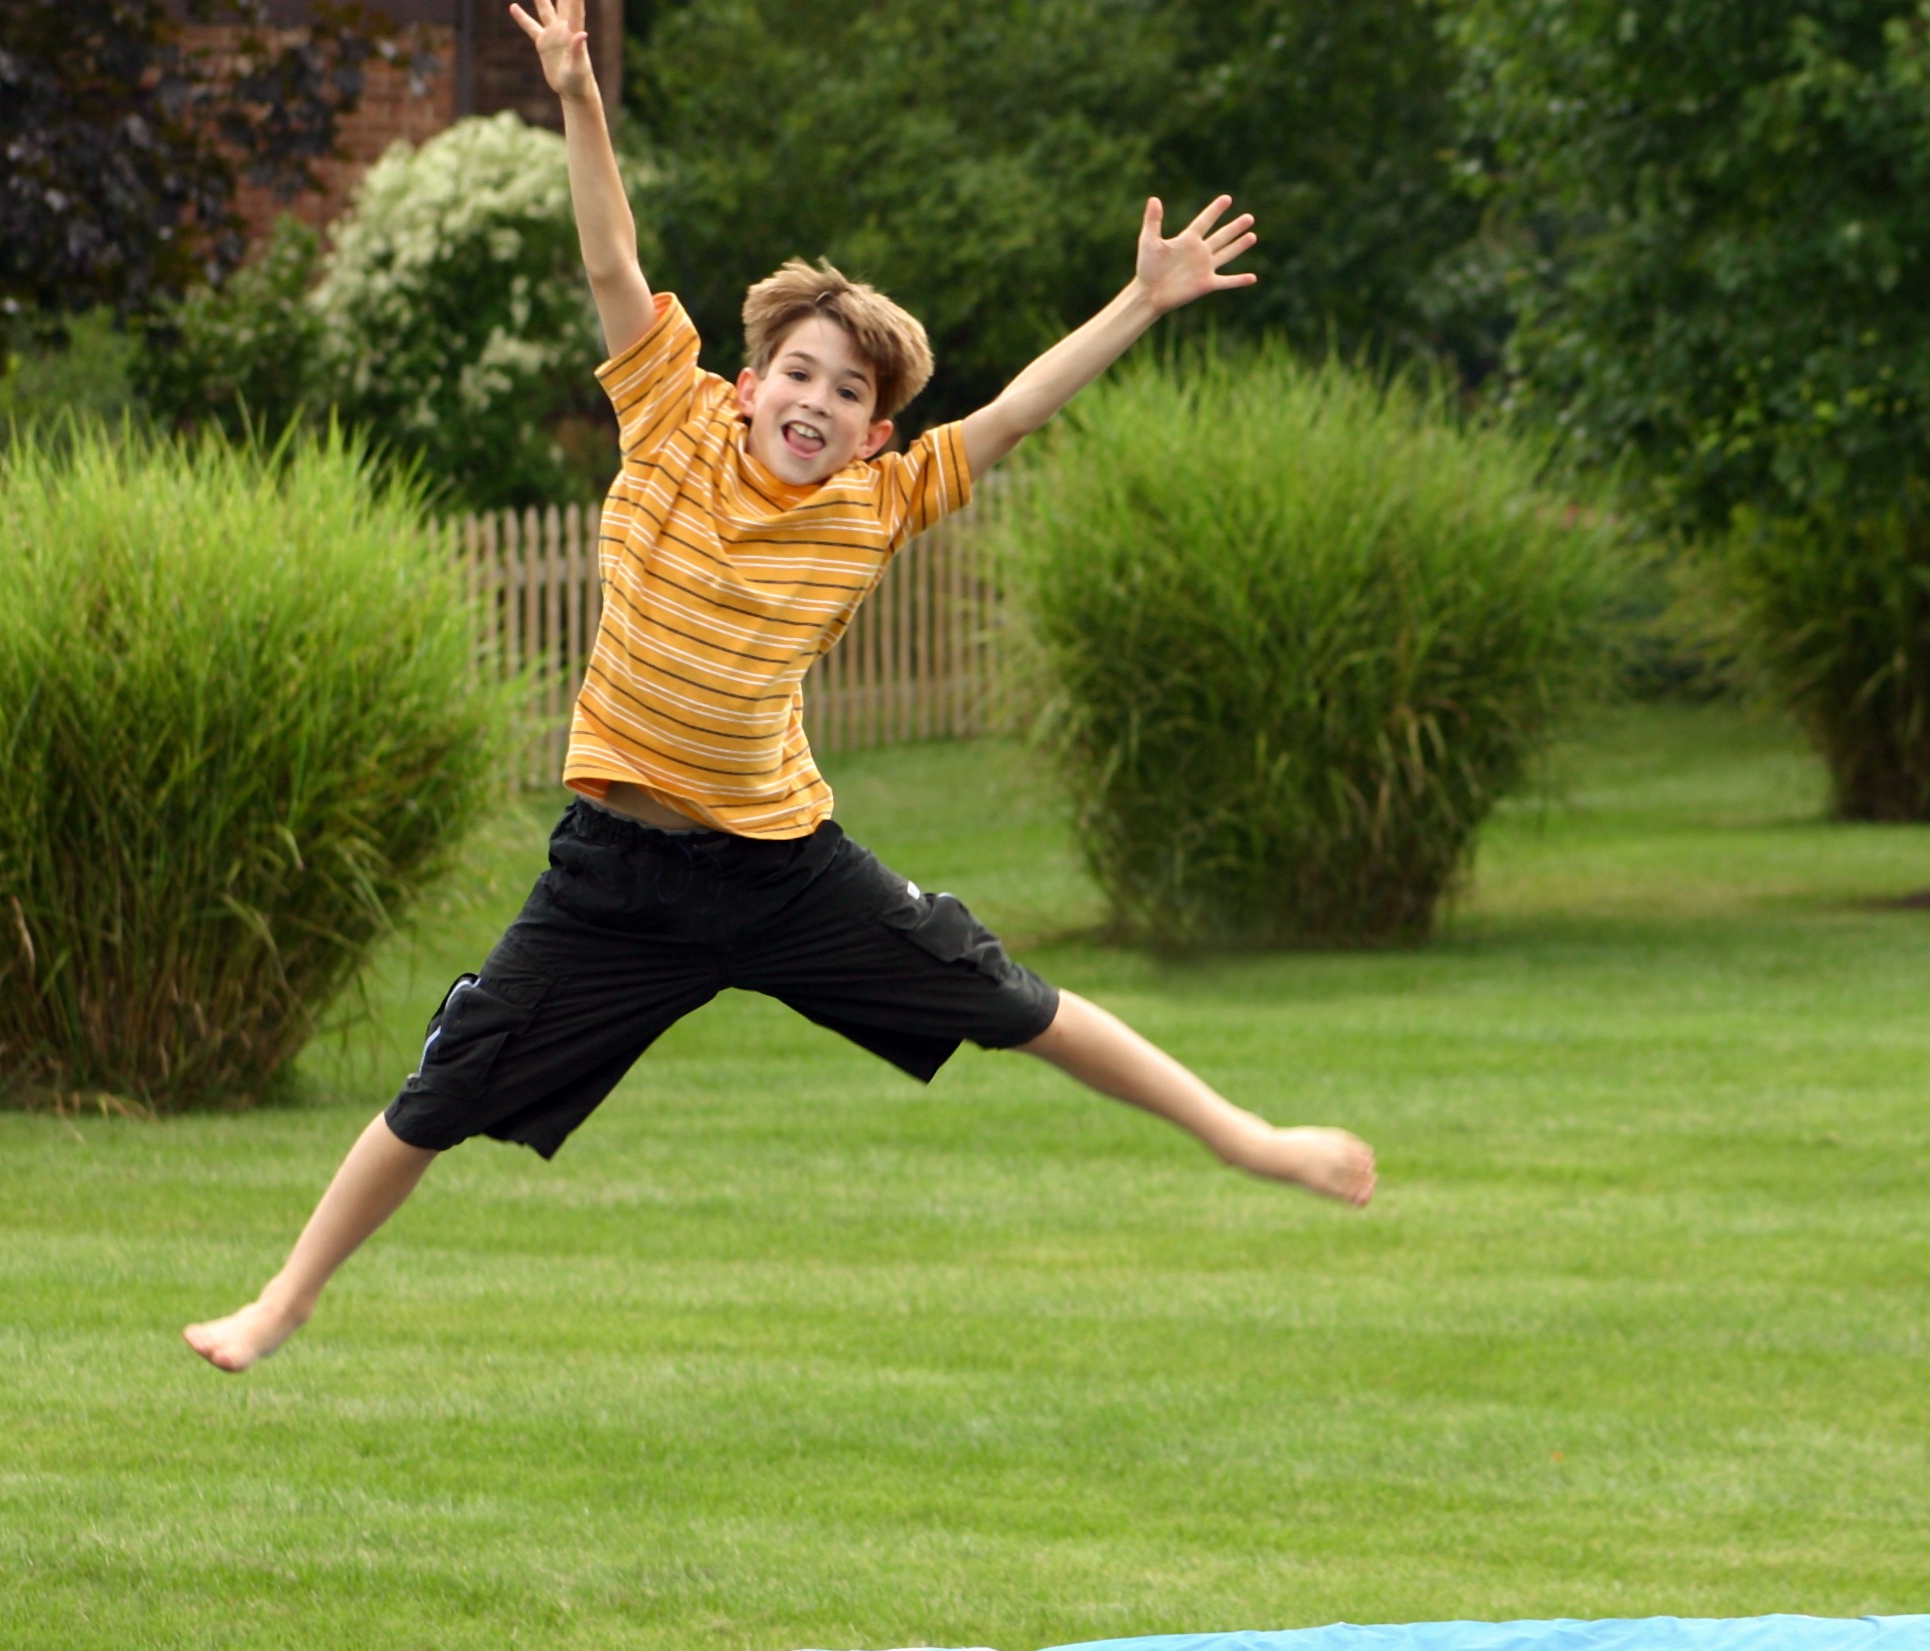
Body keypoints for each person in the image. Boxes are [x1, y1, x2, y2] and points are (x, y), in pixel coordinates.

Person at [184, 0, 1375, 1373]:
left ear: (879, 429)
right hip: (613, 882)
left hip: (781, 872)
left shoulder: (879, 503)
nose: (816, 400)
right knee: (441, 1087)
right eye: (798, 373)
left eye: (850, 392)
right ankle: (287, 1299)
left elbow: (1015, 411)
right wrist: (576, 91)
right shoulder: (669, 418)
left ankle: (1254, 1140)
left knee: (1011, 1003)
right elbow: (613, 256)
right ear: (748, 384)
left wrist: (1142, 300)